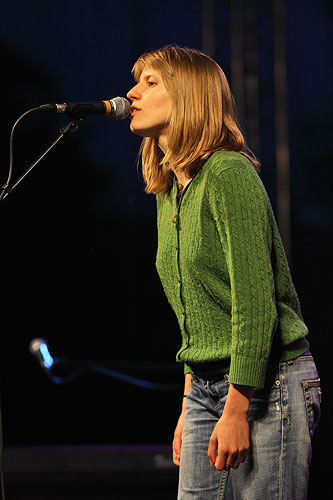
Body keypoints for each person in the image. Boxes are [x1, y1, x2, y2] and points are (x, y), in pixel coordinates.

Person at [126, 45, 321, 500]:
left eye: (151, 82)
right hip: (205, 389)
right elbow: (198, 312)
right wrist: (188, 404)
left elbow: (255, 305)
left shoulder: (227, 173)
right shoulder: (169, 190)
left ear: (190, 96)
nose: (132, 93)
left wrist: (236, 409)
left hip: (265, 384)